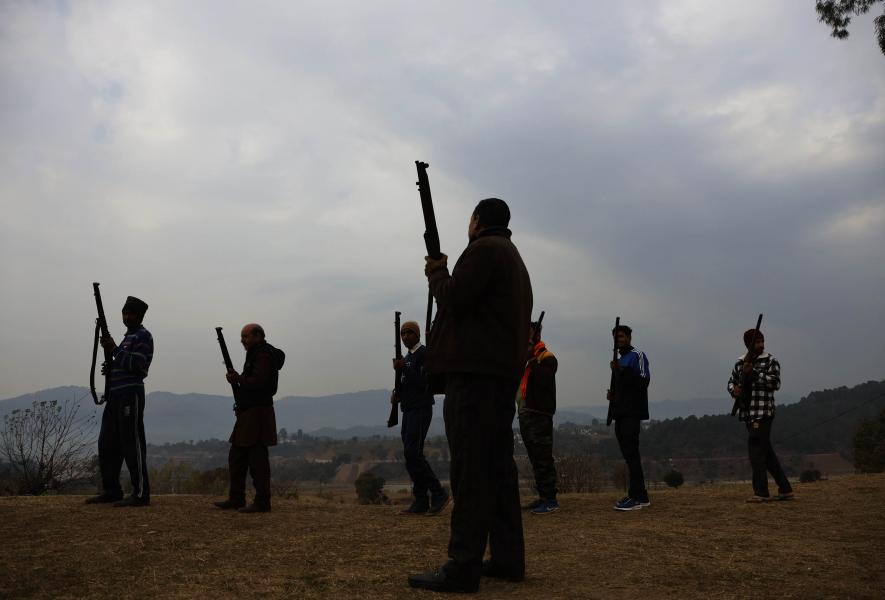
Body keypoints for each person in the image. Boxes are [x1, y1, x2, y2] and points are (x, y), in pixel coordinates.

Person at [408, 198, 533, 594]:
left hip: (475, 378)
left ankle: (463, 567)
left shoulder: (483, 250)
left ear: (477, 221)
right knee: (497, 470)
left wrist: (437, 273)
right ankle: (509, 559)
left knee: (472, 471)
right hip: (496, 377)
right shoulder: (510, 255)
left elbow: (456, 298)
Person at [86, 296, 154, 507]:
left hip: (130, 395)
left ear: (139, 316)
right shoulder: (127, 338)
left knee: (131, 443)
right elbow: (124, 362)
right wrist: (113, 367)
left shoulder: (143, 336)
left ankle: (141, 494)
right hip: (115, 396)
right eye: (124, 313)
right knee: (107, 443)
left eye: (130, 313)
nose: (126, 317)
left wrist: (115, 350)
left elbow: (138, 365)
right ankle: (112, 490)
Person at [213, 323, 285, 513]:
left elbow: (258, 382)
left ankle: (262, 501)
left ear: (258, 336)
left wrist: (238, 379)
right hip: (250, 412)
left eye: (246, 337)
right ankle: (236, 498)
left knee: (257, 460)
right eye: (242, 337)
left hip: (258, 412)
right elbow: (250, 380)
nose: (242, 340)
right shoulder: (256, 353)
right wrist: (238, 380)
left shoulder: (263, 355)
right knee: (237, 457)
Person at [727, 328, 794, 502]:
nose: (761, 344)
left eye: (761, 341)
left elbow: (775, 383)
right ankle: (785, 489)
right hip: (748, 413)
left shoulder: (770, 360)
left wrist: (754, 373)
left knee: (756, 450)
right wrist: (735, 390)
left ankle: (761, 492)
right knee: (766, 452)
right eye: (757, 342)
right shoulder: (740, 363)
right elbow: (730, 383)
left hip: (763, 412)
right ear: (748, 344)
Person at [390, 320, 449, 515]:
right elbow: (408, 383)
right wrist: (397, 394)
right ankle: (421, 500)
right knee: (410, 456)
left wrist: (403, 369)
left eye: (409, 333)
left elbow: (425, 382)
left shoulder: (424, 354)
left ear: (417, 335)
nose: (405, 336)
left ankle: (438, 493)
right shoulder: (407, 357)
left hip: (421, 409)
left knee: (413, 453)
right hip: (408, 410)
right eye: (403, 333)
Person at [517, 320, 559, 515]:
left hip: (539, 415)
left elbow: (544, 379)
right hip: (525, 414)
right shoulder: (525, 359)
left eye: (530, 333)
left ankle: (550, 499)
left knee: (543, 458)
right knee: (535, 458)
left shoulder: (547, 357)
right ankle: (543, 497)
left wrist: (532, 359)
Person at [607, 324, 650, 511]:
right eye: (616, 337)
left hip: (632, 412)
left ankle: (640, 497)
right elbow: (622, 386)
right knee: (628, 456)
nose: (619, 339)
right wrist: (613, 395)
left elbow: (643, 381)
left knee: (632, 455)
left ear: (629, 337)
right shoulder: (619, 359)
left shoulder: (637, 356)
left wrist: (620, 371)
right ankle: (635, 494)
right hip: (620, 413)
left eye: (622, 336)